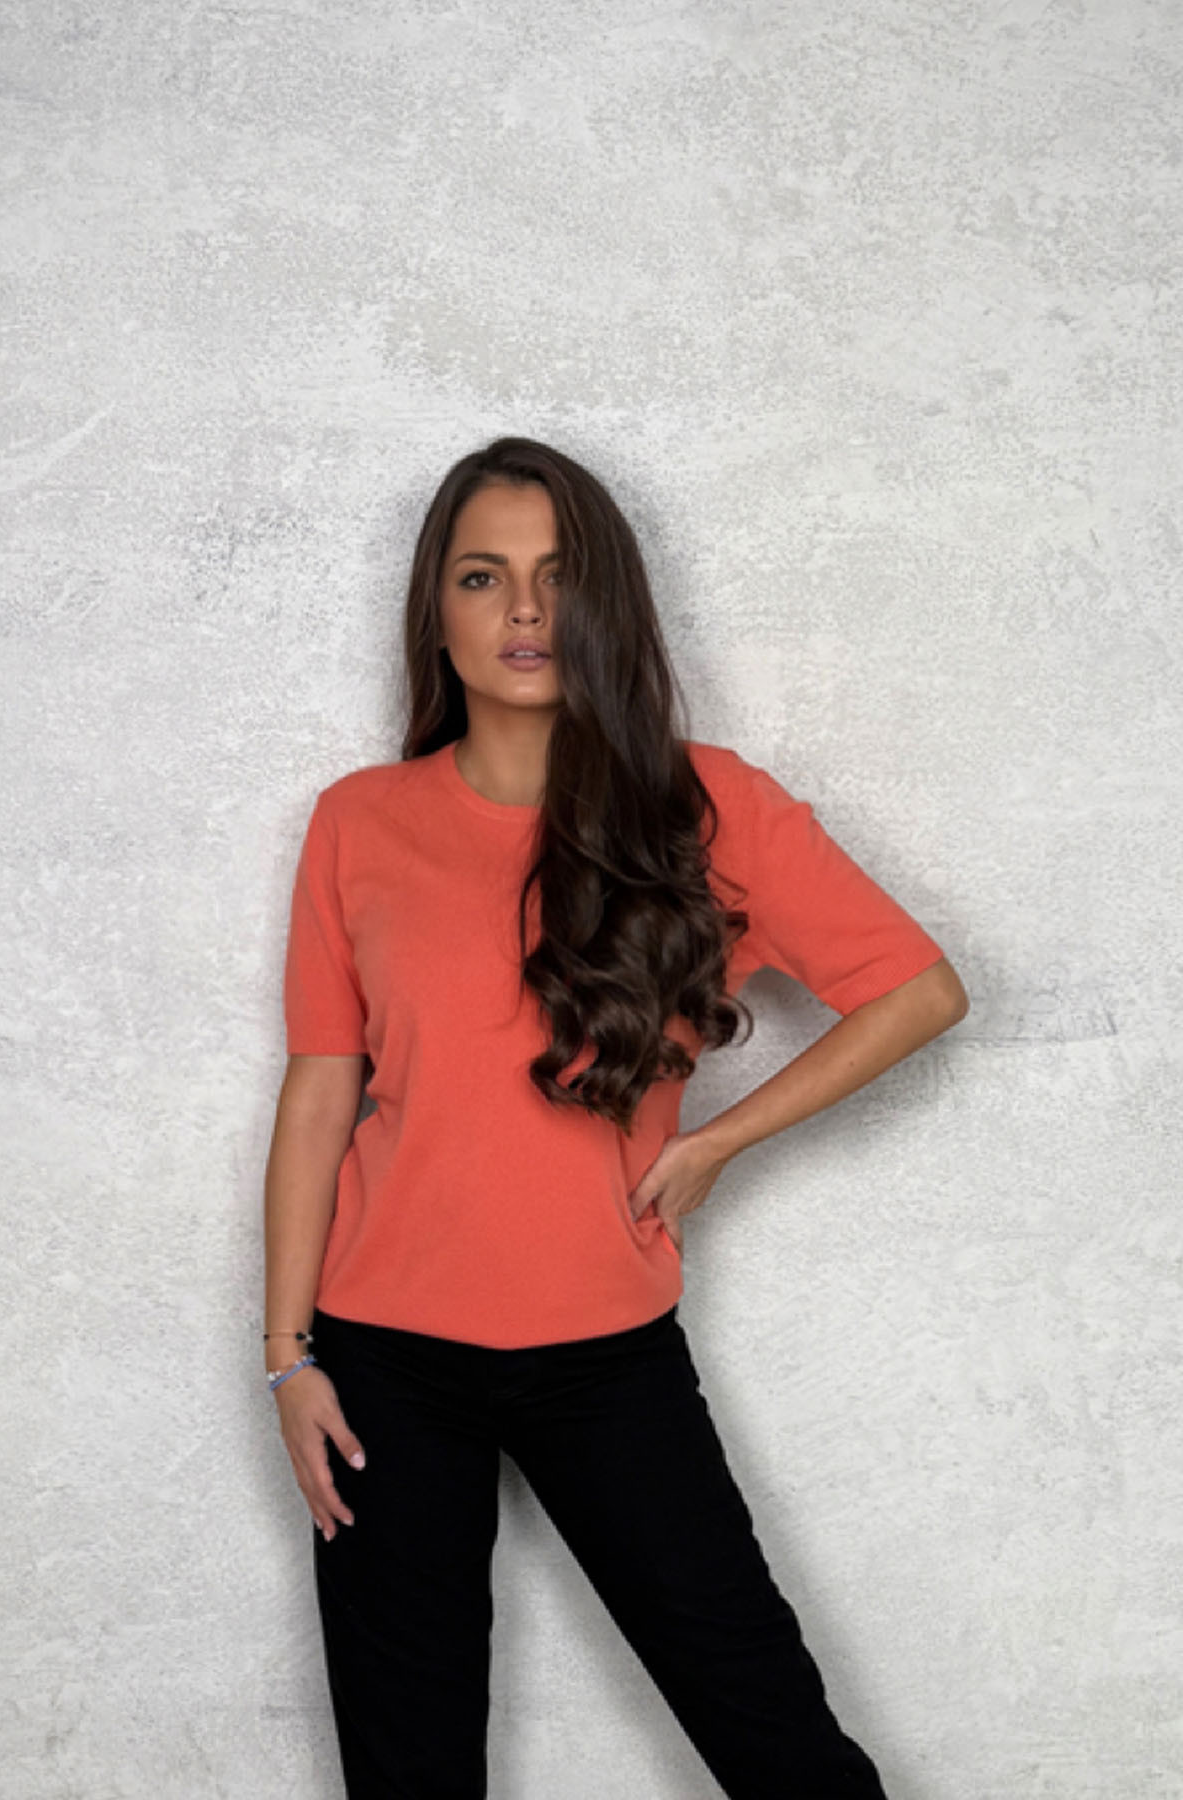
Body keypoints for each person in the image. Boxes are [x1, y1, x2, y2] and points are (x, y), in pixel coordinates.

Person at [263, 435, 969, 1799]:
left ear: (608, 604)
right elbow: (320, 1088)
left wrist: (718, 1144)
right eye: (484, 576)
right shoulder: (358, 822)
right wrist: (290, 1359)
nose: (526, 609)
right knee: (407, 1770)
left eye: (560, 575)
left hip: (606, 1354)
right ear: (437, 610)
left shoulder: (707, 807)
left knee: (777, 1740)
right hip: (381, 1362)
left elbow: (919, 990)